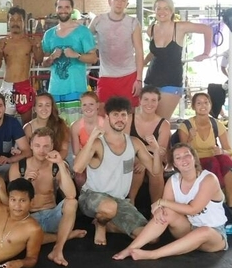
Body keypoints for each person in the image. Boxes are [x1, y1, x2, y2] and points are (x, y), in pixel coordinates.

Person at [113, 143, 228, 260]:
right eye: (178, 158)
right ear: (174, 164)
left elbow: (193, 209)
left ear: (194, 158)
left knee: (204, 231)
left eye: (187, 155)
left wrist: (162, 203)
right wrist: (159, 209)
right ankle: (131, 248)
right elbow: (164, 207)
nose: (184, 160)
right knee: (166, 212)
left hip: (214, 235)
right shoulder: (173, 181)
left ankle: (153, 255)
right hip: (188, 228)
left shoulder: (209, 179)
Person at [73, 96, 161, 247]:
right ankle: (101, 225)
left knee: (152, 236)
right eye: (115, 115)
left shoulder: (134, 143)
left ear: (128, 117)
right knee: (109, 207)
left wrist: (157, 150)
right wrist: (91, 139)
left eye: (123, 115)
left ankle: (109, 225)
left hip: (119, 200)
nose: (120, 119)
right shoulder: (98, 143)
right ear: (107, 117)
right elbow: (77, 168)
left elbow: (155, 170)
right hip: (92, 197)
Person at [9, 128, 84, 267]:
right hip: (29, 218)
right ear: (31, 145)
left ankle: (58, 249)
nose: (41, 150)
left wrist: (61, 163)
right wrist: (25, 182)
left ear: (52, 147)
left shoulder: (56, 166)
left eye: (46, 146)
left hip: (51, 216)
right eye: (37, 145)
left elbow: (71, 194)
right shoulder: (18, 167)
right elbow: (13, 202)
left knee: (72, 203)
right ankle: (66, 235)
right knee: (17, 237)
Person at [143, 0, 213, 120]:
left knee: (161, 121)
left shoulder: (180, 27)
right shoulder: (151, 29)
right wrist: (141, 64)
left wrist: (206, 53)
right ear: (154, 11)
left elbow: (207, 29)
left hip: (171, 81)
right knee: (147, 120)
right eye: (159, 8)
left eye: (166, 8)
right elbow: (155, 52)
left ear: (171, 11)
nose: (162, 12)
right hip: (150, 80)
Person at [42, 0, 98, 124]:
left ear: (72, 9)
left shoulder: (83, 32)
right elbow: (44, 63)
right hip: (55, 90)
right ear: (56, 10)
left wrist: (76, 55)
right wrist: (51, 57)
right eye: (60, 7)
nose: (63, 10)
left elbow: (93, 58)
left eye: (67, 7)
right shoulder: (49, 34)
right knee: (57, 130)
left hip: (76, 90)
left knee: (76, 129)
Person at [177, 92, 232, 207]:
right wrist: (190, 139)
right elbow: (182, 152)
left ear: (210, 105)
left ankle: (231, 204)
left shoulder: (217, 124)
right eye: (199, 103)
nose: (203, 106)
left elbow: (229, 150)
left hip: (214, 158)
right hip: (195, 161)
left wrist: (221, 151)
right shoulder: (186, 126)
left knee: (227, 162)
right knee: (212, 162)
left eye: (206, 102)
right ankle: (216, 202)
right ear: (193, 106)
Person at [89, 0, 143, 107]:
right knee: (103, 112)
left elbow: (139, 51)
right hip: (106, 75)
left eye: (123, 0)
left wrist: (139, 79)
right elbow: (84, 39)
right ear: (110, 1)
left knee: (129, 113)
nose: (119, 3)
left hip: (129, 75)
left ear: (127, 4)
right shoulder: (98, 20)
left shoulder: (133, 22)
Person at [0, 6, 42, 123]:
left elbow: (39, 60)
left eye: (19, 20)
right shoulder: (2, 42)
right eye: (12, 20)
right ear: (8, 22)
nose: (15, 23)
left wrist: (38, 47)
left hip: (24, 85)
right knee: (4, 123)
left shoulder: (29, 42)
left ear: (24, 22)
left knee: (27, 124)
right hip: (7, 86)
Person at [128, 86, 171, 205]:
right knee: (138, 167)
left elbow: (161, 151)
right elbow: (125, 144)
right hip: (133, 155)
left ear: (158, 102)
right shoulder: (130, 119)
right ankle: (131, 202)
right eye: (146, 99)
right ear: (140, 100)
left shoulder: (164, 124)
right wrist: (146, 152)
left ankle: (156, 206)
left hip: (154, 158)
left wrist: (145, 160)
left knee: (155, 170)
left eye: (153, 100)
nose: (149, 104)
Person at [70, 91, 104, 188]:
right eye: (84, 105)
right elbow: (76, 154)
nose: (88, 108)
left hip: (102, 159)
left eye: (91, 104)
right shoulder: (75, 126)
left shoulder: (105, 123)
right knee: (80, 177)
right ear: (80, 107)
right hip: (85, 159)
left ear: (97, 105)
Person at [23, 92, 71, 161]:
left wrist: (54, 160)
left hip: (56, 161)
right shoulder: (28, 128)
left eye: (47, 105)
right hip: (35, 163)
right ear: (34, 109)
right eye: (40, 105)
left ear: (52, 107)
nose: (44, 109)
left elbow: (64, 150)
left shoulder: (61, 124)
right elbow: (27, 152)